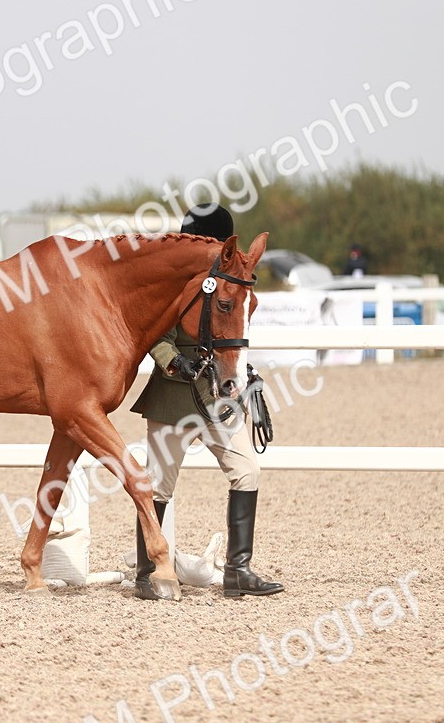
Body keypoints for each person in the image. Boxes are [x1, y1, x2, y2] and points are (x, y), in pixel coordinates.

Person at [128, 204, 284, 600]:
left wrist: (240, 373)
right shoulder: (173, 280)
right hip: (174, 395)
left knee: (247, 469)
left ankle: (238, 570)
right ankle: (147, 572)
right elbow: (155, 335)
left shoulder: (229, 280)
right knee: (158, 486)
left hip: (219, 398)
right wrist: (171, 360)